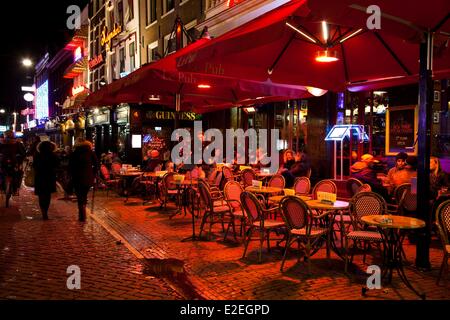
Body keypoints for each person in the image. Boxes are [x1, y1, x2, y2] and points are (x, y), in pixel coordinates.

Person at [69, 138, 98, 222]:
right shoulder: (91, 153)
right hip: (88, 177)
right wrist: (94, 173)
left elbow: (70, 166)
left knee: (79, 195)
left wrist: (70, 175)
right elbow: (96, 165)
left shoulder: (74, 153)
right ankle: (83, 209)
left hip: (77, 177)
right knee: (84, 194)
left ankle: (82, 212)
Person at [33, 141, 59, 220]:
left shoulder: (37, 155)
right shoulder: (53, 155)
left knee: (41, 195)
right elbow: (57, 165)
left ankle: (43, 211)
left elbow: (34, 166)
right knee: (47, 195)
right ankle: (46, 211)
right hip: (50, 177)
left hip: (40, 177)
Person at [0, 130, 26, 195]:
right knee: (17, 174)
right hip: (14, 162)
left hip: (3, 162)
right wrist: (20, 161)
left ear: (5, 135)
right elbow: (23, 154)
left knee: (2, 173)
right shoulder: (17, 143)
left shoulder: (1, 142)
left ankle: (1, 189)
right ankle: (15, 190)